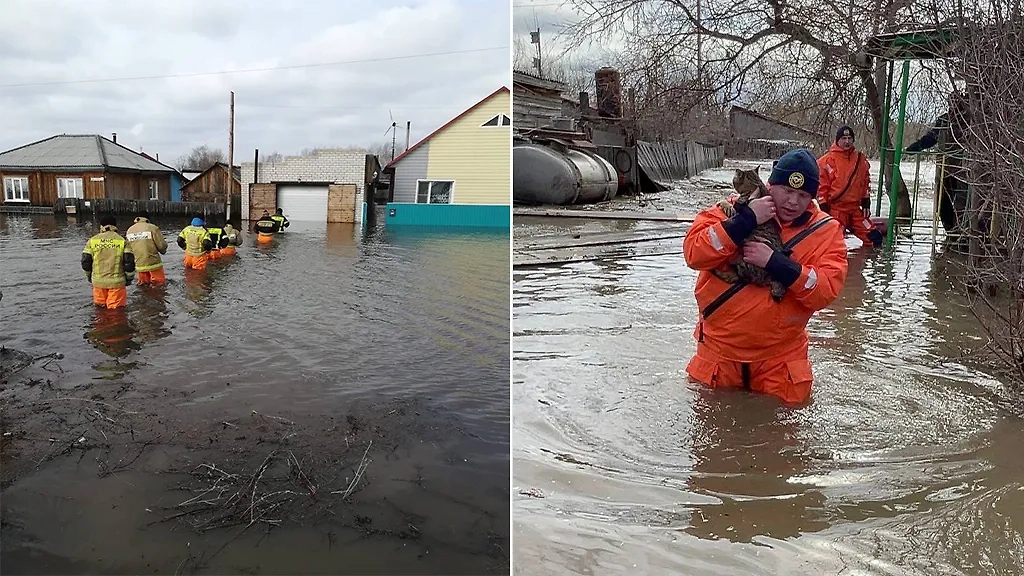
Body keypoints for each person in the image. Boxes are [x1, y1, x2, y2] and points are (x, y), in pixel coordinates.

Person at [683, 148, 849, 404]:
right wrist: (746, 221)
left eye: (803, 195)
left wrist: (775, 262)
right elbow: (694, 253)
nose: (793, 202)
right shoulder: (731, 208)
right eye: (786, 190)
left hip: (780, 363)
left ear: (813, 198)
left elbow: (825, 291)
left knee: (780, 440)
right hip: (718, 356)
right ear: (769, 185)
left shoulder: (826, 232)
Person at [816, 126, 883, 247]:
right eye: (843, 138)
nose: (847, 141)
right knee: (834, 245)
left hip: (855, 211)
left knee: (875, 238)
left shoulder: (860, 159)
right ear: (837, 140)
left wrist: (866, 201)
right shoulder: (826, 161)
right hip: (835, 211)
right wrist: (823, 208)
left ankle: (865, 264)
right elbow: (821, 187)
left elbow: (865, 182)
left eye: (849, 138)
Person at [82, 215, 136, 309]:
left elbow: (86, 262)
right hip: (117, 283)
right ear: (115, 226)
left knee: (100, 310)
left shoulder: (92, 241)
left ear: (101, 226)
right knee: (116, 314)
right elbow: (129, 263)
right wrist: (129, 279)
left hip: (98, 283)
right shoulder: (122, 241)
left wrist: (89, 276)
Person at [125, 211, 168, 285]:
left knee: (144, 286)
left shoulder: (129, 230)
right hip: (154, 263)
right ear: (147, 219)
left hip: (139, 265)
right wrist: (163, 251)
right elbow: (161, 246)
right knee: (159, 285)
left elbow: (128, 250)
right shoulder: (152, 228)